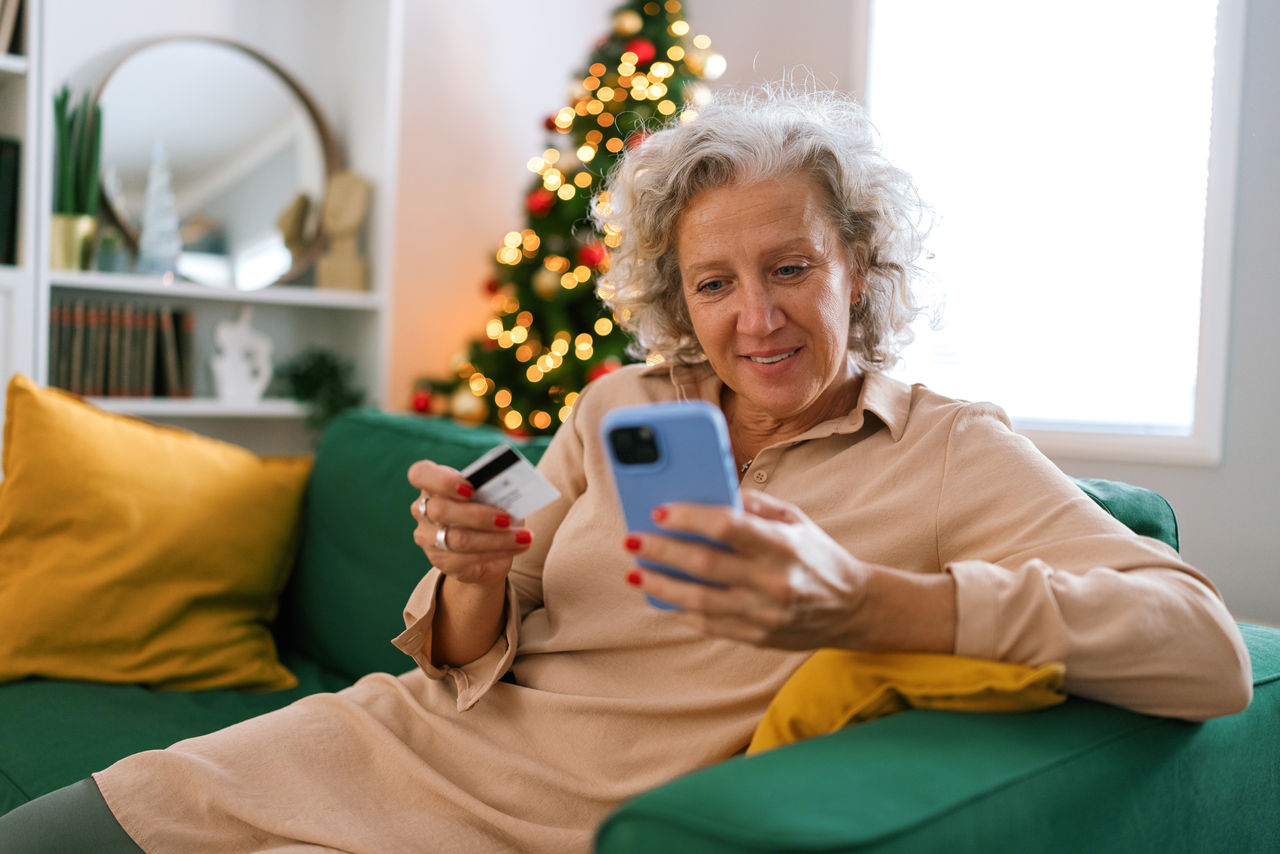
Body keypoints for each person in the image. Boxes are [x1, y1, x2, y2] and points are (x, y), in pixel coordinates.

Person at [0, 84, 1251, 854]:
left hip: (561, 822)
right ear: (675, 295)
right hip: (390, 742)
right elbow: (473, 642)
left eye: (791, 268)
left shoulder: (945, 446)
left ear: (857, 268)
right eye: (713, 282)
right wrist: (475, 571)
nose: (753, 316)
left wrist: (871, 601)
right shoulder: (619, 408)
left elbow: (1206, 649)